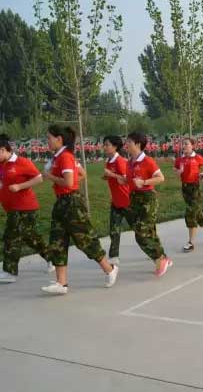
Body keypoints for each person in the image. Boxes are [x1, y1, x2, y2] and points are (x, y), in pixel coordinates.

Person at [41, 125, 118, 295]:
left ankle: (110, 269)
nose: (47, 141)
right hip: (61, 202)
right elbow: (81, 175)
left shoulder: (65, 157)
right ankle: (61, 283)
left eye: (49, 138)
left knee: (85, 239)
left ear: (59, 139)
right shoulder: (57, 157)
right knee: (57, 240)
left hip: (72, 203)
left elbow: (69, 182)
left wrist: (50, 177)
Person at [0, 134, 50, 283]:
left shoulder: (22, 162)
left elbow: (39, 178)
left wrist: (20, 186)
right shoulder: (2, 164)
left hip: (24, 207)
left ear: (3, 150)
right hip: (11, 207)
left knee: (11, 237)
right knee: (30, 237)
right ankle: (52, 258)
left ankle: (10, 272)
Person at [126, 131, 173, 277]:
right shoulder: (130, 162)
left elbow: (160, 178)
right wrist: (121, 179)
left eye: (129, 142)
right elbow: (131, 180)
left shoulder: (147, 161)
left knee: (141, 233)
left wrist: (144, 182)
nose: (126, 144)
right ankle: (164, 257)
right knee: (150, 232)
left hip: (147, 199)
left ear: (138, 144)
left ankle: (159, 259)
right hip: (134, 199)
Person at [174, 137, 203, 253]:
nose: (184, 146)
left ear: (192, 146)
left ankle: (191, 242)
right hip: (185, 188)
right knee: (197, 212)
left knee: (190, 213)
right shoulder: (180, 159)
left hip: (195, 187)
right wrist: (178, 172)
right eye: (183, 144)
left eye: (186, 144)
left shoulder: (197, 157)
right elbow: (175, 170)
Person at [101, 135, 132, 266]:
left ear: (115, 147)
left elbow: (125, 180)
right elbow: (114, 177)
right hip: (116, 202)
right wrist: (107, 176)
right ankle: (113, 257)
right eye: (104, 144)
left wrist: (110, 174)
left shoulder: (120, 161)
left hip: (127, 202)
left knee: (140, 231)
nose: (104, 147)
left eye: (107, 145)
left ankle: (158, 255)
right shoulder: (109, 161)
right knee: (114, 231)